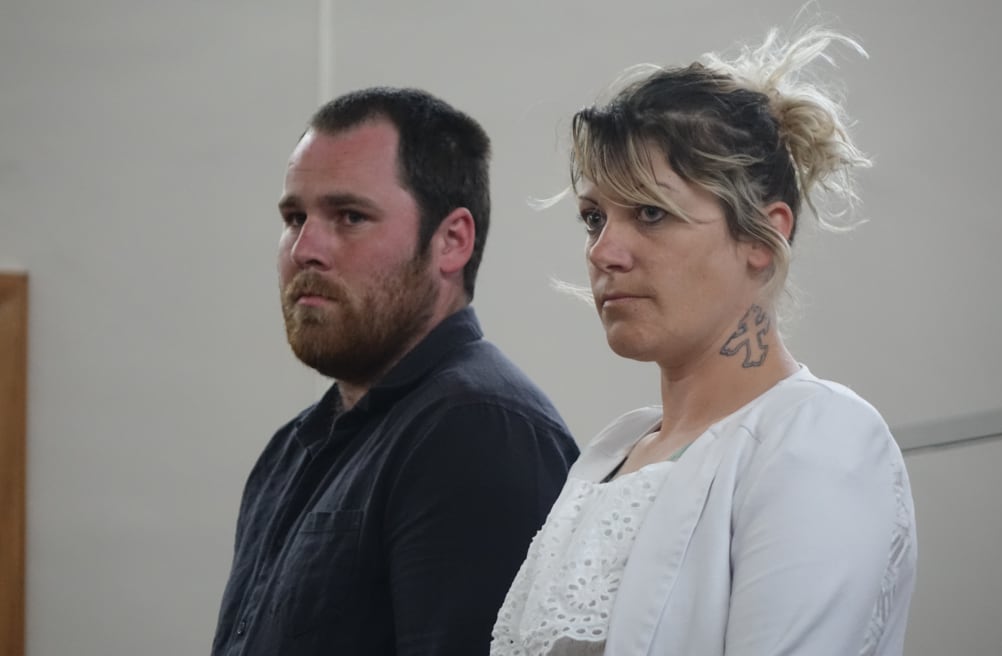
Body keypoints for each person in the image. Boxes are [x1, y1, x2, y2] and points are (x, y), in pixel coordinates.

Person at [492, 27, 917, 655]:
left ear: (759, 239)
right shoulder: (609, 453)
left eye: (651, 213)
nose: (604, 251)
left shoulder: (818, 438)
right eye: (593, 218)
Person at [211, 87, 579, 656]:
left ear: (451, 241)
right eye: (293, 217)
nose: (305, 248)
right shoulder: (291, 450)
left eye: (350, 216)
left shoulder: (478, 430)